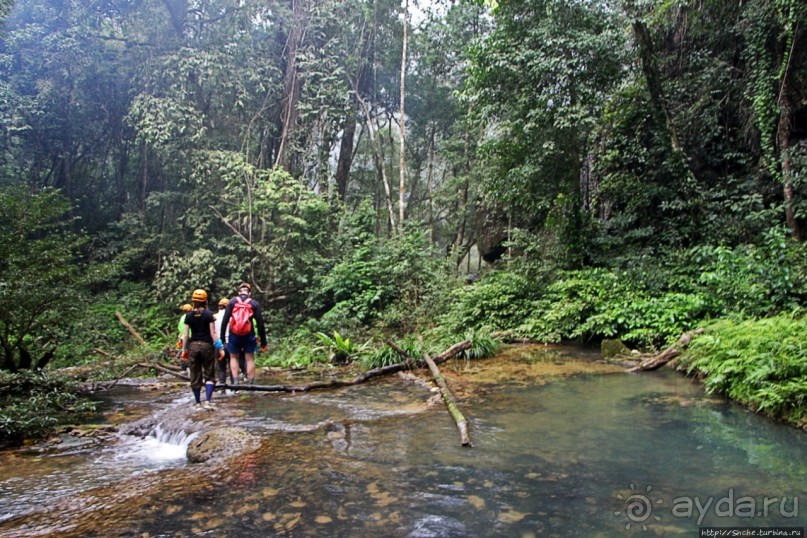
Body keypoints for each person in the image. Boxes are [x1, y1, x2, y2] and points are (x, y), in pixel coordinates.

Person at [181, 289, 224, 410]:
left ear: (193, 301)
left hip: (193, 346)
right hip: (207, 346)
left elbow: (185, 335)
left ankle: (197, 403)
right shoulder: (209, 315)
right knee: (209, 374)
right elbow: (213, 333)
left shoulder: (188, 316)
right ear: (205, 301)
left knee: (195, 374)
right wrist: (220, 347)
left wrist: (184, 350)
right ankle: (208, 401)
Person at [219, 282, 266, 385]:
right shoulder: (254, 303)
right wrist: (263, 342)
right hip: (249, 335)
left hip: (234, 334)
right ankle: (250, 383)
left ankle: (235, 382)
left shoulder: (232, 302)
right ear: (249, 293)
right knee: (249, 358)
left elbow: (225, 321)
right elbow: (260, 324)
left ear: (239, 292)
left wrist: (222, 338)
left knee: (233, 357)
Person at [213, 297, 233, 388]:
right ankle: (235, 388)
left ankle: (222, 389)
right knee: (232, 365)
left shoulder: (214, 317)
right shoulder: (232, 317)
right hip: (230, 343)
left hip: (219, 345)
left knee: (222, 368)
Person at [177, 304, 193, 370]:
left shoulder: (182, 318)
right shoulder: (191, 316)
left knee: (186, 353)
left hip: (184, 338)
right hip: (191, 338)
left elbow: (180, 330)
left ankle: (185, 368)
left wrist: (179, 339)